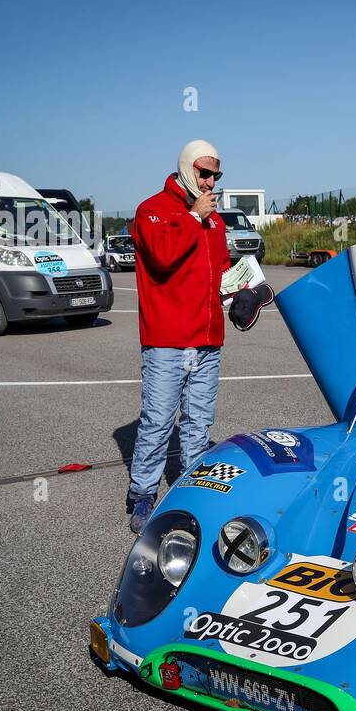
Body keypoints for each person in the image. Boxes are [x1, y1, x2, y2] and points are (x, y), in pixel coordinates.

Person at [125, 140, 231, 532]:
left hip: (207, 337)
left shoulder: (216, 221)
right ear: (187, 168)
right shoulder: (153, 210)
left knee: (198, 422)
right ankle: (142, 494)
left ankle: (192, 491)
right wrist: (192, 216)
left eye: (216, 175)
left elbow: (220, 270)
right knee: (157, 420)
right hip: (167, 339)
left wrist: (241, 293)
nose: (210, 181)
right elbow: (163, 257)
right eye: (204, 172)